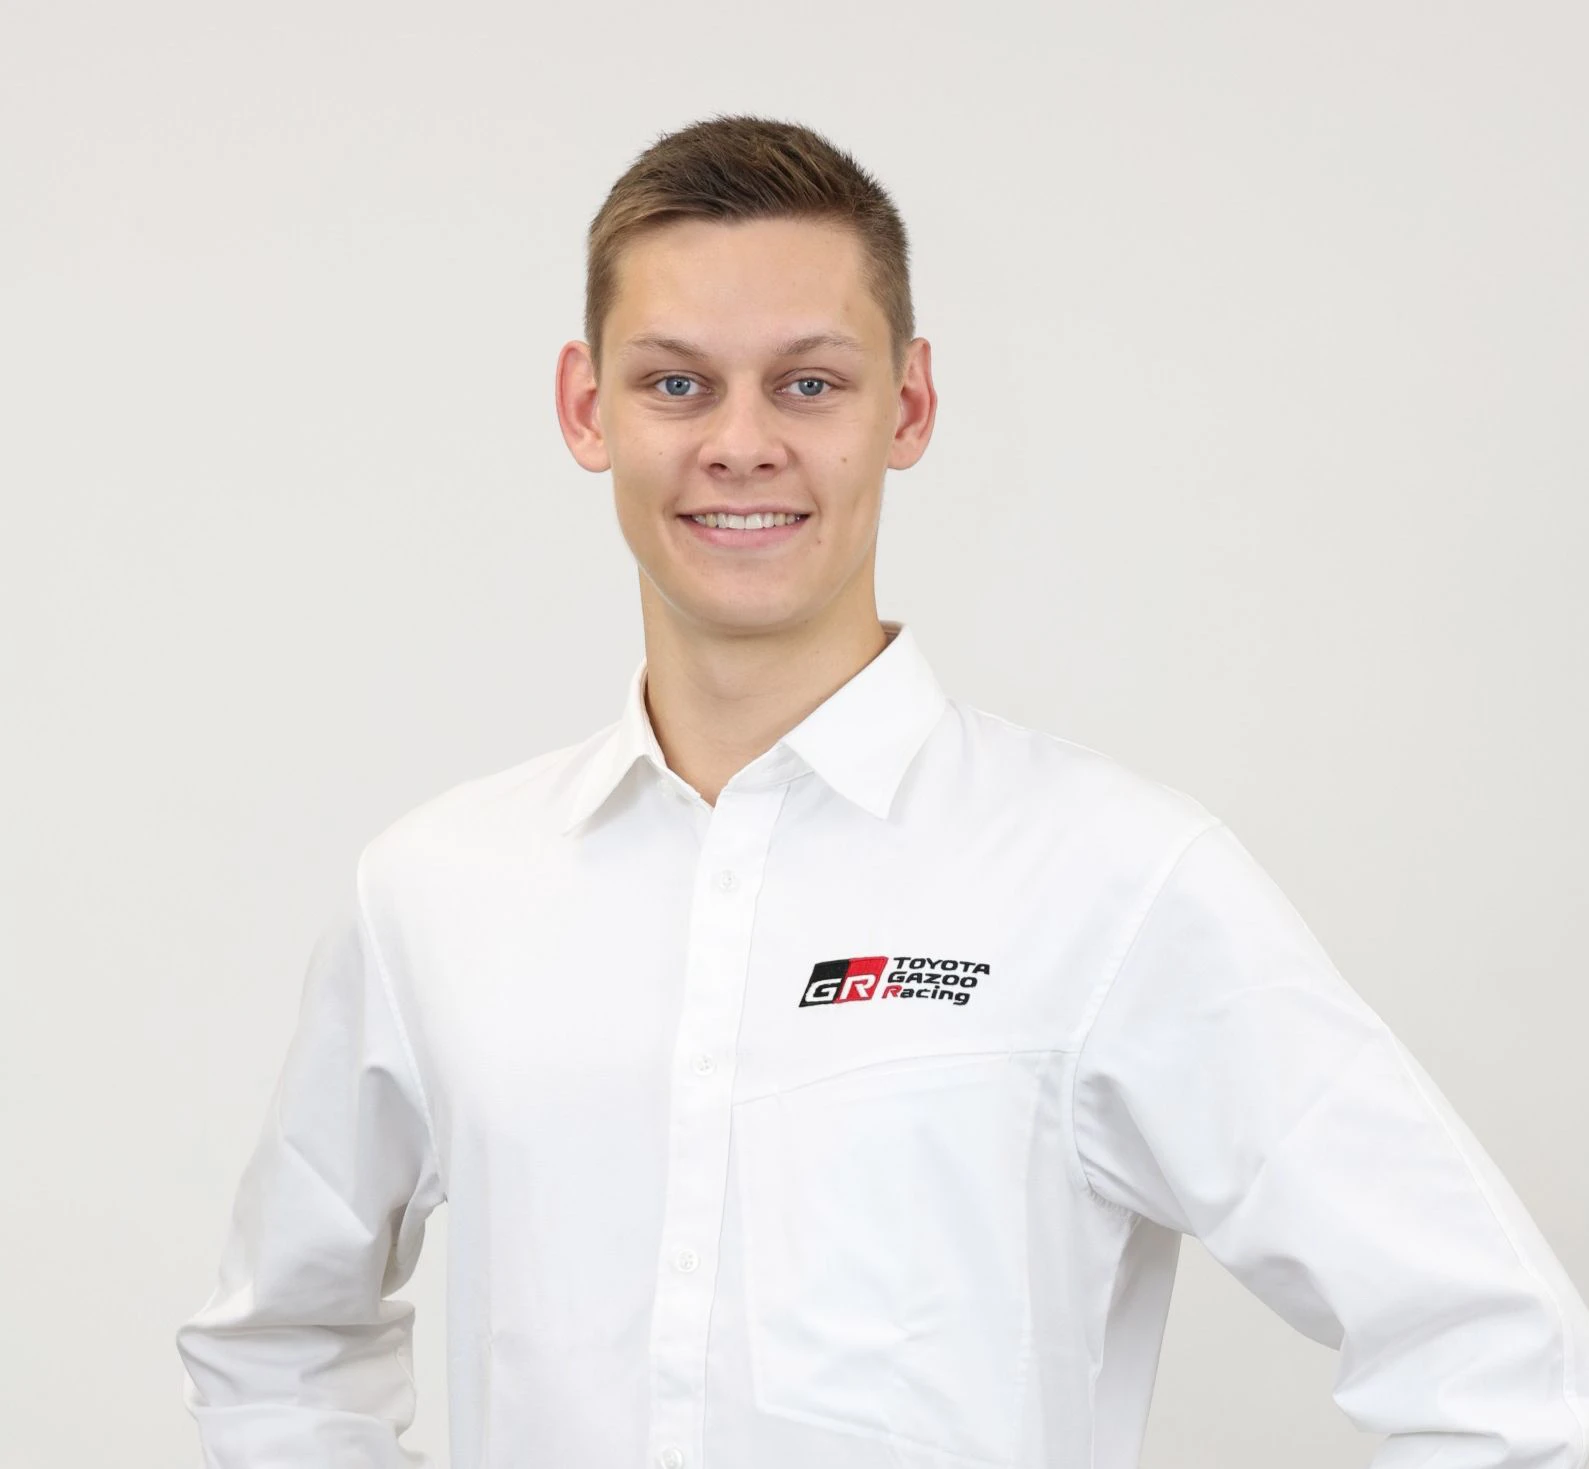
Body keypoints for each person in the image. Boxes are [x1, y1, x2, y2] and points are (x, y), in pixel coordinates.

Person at [175, 113, 1589, 1469]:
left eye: (809, 383)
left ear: (905, 406)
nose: (741, 442)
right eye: (677, 382)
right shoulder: (436, 895)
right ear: (584, 407)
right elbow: (281, 1348)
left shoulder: (1110, 877)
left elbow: (1503, 1367)